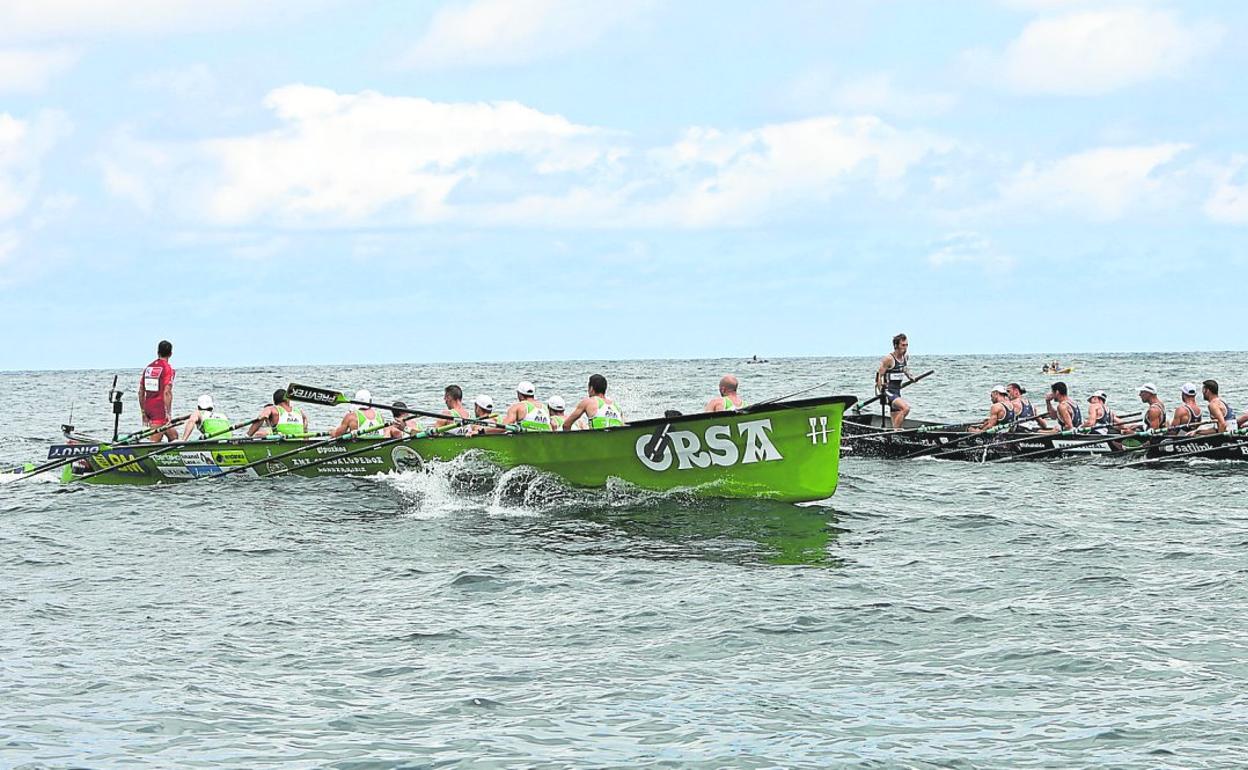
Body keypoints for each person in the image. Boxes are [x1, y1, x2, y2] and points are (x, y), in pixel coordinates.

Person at [138, 339, 177, 442]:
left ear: (157, 352)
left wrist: (143, 411)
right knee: (154, 442)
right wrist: (168, 413)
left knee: (174, 437)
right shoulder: (167, 368)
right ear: (171, 354)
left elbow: (141, 391)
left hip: (148, 407)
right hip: (159, 409)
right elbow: (167, 392)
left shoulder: (148, 368)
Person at [875, 333, 912, 429]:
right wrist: (882, 392)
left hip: (897, 391)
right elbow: (879, 376)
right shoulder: (889, 359)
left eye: (906, 345)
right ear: (896, 346)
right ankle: (896, 432)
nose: (905, 347)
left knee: (896, 421)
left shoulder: (905, 357)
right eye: (903, 345)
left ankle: (894, 435)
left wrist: (910, 377)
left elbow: (904, 369)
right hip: (888, 392)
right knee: (905, 408)